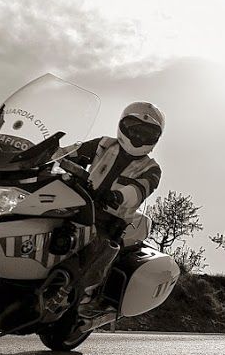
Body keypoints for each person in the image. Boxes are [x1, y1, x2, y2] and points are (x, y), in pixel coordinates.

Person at [68, 101, 165, 313]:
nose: (138, 136)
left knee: (98, 247)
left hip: (109, 220)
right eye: (133, 128)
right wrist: (47, 156)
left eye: (145, 133)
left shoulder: (151, 168)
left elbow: (141, 189)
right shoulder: (102, 145)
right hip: (77, 205)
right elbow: (68, 154)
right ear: (123, 125)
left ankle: (82, 298)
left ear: (155, 138)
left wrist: (118, 196)